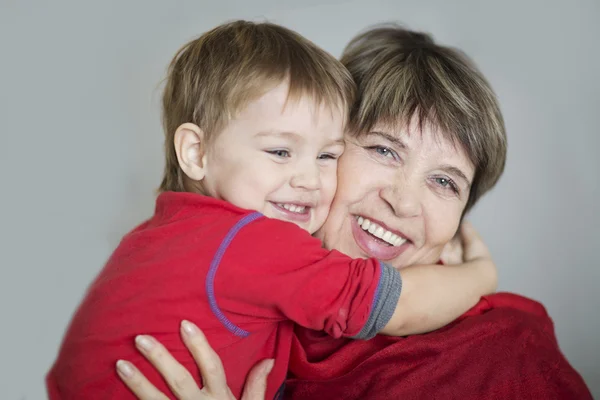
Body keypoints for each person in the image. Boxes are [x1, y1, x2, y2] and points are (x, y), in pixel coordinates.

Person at [114, 25, 593, 399]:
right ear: (322, 151)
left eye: (445, 182)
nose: (403, 202)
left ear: (458, 224)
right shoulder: (215, 305)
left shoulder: (503, 357)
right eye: (384, 150)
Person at [46, 21, 497, 400]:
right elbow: (397, 305)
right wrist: (481, 275)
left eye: (325, 156)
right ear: (196, 152)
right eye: (281, 152)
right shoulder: (252, 243)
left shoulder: (156, 235)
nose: (308, 180)